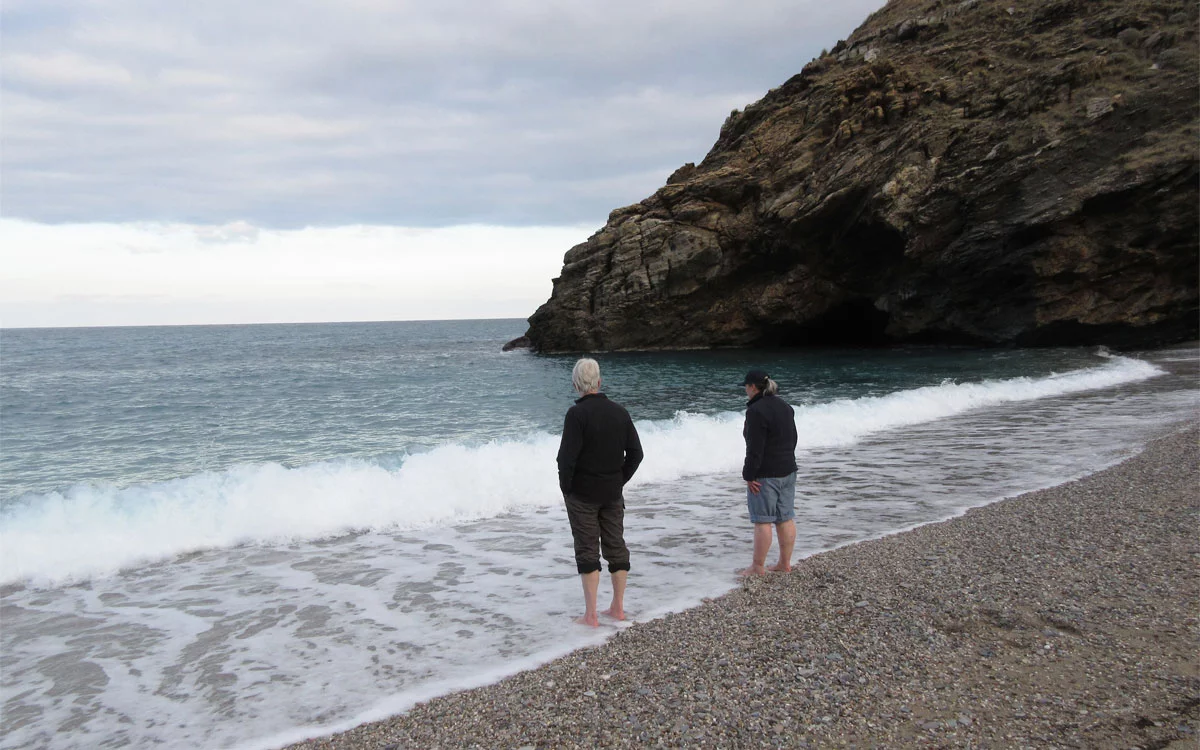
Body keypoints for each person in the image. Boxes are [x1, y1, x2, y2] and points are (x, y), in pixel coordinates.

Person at [556, 358, 644, 627]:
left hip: (583, 495)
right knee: (616, 546)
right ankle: (617, 608)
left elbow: (565, 460)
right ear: (599, 382)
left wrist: (567, 489)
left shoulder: (577, 414)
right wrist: (619, 480)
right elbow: (636, 454)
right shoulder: (620, 411)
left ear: (575, 384)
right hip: (612, 492)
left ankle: (591, 614)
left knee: (587, 550)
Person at [740, 368, 798, 577]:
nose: (746, 391)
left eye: (746, 387)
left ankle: (757, 567)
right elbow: (793, 438)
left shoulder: (756, 411)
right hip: (788, 468)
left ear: (753, 387)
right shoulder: (785, 406)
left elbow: (755, 448)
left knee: (762, 520)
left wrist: (749, 475)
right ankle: (784, 563)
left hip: (766, 473)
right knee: (785, 517)